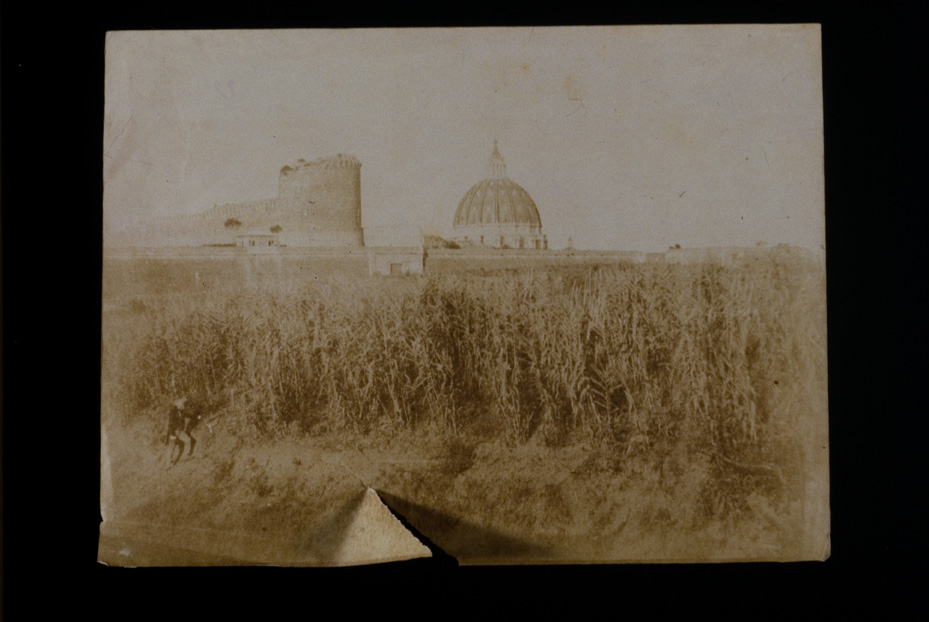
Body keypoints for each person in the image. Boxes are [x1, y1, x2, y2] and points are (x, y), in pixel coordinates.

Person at [166, 396, 199, 465]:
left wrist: (197, 417)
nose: (184, 407)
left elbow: (189, 415)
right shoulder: (172, 413)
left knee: (188, 440)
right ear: (178, 406)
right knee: (172, 447)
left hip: (179, 431)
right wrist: (172, 435)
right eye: (182, 405)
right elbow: (170, 424)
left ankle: (187, 456)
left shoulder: (182, 412)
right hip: (173, 431)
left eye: (183, 405)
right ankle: (169, 462)